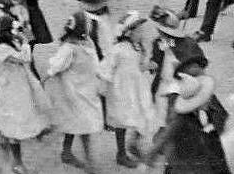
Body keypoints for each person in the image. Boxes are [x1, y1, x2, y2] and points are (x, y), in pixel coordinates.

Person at [144, 54, 230, 174]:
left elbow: (222, 114)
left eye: (200, 68)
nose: (201, 71)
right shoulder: (179, 100)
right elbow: (171, 129)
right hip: (187, 156)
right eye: (194, 67)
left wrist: (211, 126)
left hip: (209, 150)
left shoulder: (205, 91)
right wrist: (154, 151)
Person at [0, 14, 50, 174]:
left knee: (23, 116)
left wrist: (24, 31)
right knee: (12, 124)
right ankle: (16, 162)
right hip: (8, 90)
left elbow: (32, 39)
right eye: (13, 29)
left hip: (19, 86)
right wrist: (24, 40)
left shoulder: (14, 41)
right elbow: (25, 58)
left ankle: (15, 146)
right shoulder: (1, 48)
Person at [45, 11, 104, 171]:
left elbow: (95, 63)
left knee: (76, 123)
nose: (91, 27)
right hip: (74, 93)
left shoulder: (88, 43)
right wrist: (43, 81)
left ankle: (66, 152)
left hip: (87, 90)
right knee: (84, 125)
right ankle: (89, 161)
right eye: (88, 25)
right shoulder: (69, 48)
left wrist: (99, 79)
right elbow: (55, 66)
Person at [99, 12, 157, 168]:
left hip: (137, 89)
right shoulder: (117, 49)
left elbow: (138, 66)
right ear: (128, 32)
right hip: (121, 91)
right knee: (122, 120)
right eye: (138, 30)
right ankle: (121, 153)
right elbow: (105, 69)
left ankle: (134, 144)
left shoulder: (136, 48)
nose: (141, 33)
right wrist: (103, 90)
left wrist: (149, 66)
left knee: (143, 114)